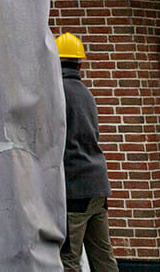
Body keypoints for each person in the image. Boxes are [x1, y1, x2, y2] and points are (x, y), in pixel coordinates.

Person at [58, 32, 118, 272]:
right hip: (98, 186)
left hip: (76, 189)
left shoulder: (57, 93)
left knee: (69, 258)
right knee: (103, 256)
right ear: (80, 63)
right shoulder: (86, 93)